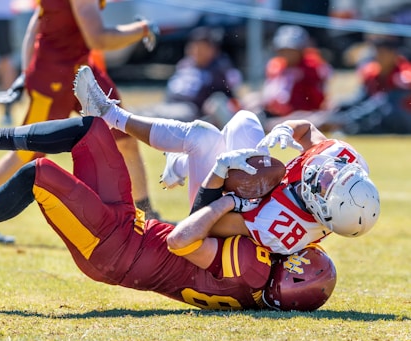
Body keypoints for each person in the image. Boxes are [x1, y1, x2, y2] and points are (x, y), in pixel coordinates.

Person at [0, 77, 337, 311]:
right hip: (131, 228)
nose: (295, 249)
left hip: (113, 248)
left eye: (300, 259)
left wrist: (224, 195)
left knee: (40, 174)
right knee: (91, 129)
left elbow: (183, 240)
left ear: (288, 282)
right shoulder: (263, 268)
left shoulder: (256, 273)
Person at [73, 65, 381, 255]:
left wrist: (224, 180)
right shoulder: (345, 163)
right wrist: (287, 128)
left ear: (320, 208)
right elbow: (309, 132)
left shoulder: (281, 228)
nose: (326, 172)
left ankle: (110, 115)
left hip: (216, 207)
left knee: (202, 136)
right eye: (334, 174)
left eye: (326, 184)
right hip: (254, 188)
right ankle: (178, 164)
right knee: (244, 121)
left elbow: (212, 225)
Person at [0, 0, 163, 243]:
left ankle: (147, 216)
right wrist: (142, 29)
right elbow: (98, 39)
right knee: (26, 154)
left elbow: (36, 24)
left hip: (83, 70)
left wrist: (26, 72)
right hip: (54, 77)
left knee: (125, 136)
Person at [137, 26, 242, 129]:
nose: (196, 51)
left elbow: (226, 96)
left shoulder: (218, 69)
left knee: (154, 116)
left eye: (201, 48)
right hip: (171, 104)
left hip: (192, 110)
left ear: (212, 50)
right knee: (147, 110)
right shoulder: (185, 64)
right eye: (194, 47)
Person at [242, 25, 332, 131]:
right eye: (283, 50)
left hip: (303, 112)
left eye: (290, 50)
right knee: (251, 100)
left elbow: (319, 97)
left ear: (301, 50)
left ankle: (267, 126)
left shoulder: (312, 67)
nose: (286, 54)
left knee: (313, 120)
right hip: (277, 111)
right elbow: (269, 93)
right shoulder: (275, 65)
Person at [325, 34, 411, 134]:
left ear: (394, 54)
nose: (379, 57)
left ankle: (346, 126)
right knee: (340, 107)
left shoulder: (405, 74)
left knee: (383, 108)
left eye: (383, 53)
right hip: (377, 115)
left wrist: (346, 119)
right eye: (377, 52)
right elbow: (360, 100)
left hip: (403, 120)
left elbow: (384, 103)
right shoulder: (372, 72)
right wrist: (339, 106)